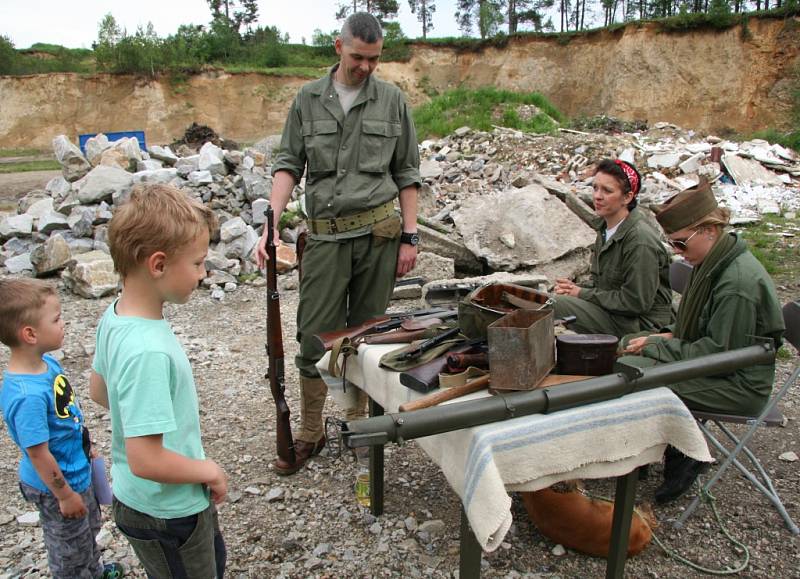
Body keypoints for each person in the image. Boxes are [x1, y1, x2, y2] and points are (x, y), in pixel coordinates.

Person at [255, 12, 421, 476]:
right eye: (357, 57)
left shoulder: (392, 101)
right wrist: (270, 226)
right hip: (326, 238)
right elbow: (289, 163)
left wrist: (410, 236)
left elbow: (407, 173)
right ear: (338, 47)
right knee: (314, 337)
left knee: (367, 335)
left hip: (379, 236)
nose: (366, 67)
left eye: (374, 59)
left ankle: (359, 423)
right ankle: (310, 431)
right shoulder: (307, 99)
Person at [89, 184, 228, 578]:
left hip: (135, 498)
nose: (203, 273)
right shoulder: (148, 350)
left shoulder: (115, 315)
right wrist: (209, 470)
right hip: (169, 510)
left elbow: (99, 392)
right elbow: (146, 459)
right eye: (198, 263)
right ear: (158, 264)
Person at [619, 177, 785, 503]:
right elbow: (701, 331)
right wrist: (662, 336)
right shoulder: (712, 261)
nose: (677, 252)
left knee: (632, 373)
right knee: (627, 343)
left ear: (709, 230)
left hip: (738, 385)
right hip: (719, 364)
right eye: (672, 245)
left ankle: (686, 450)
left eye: (681, 244)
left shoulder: (736, 283)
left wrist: (658, 345)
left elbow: (719, 356)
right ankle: (643, 448)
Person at [0, 278, 125, 579]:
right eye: (56, 319)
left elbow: (67, 413)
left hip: (77, 467)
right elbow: (39, 454)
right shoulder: (26, 396)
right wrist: (65, 495)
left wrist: (86, 446)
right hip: (57, 485)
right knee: (68, 546)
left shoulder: (48, 365)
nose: (64, 323)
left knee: (87, 528)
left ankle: (93, 568)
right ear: (30, 334)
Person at [553, 159, 674, 338]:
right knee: (547, 300)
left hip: (640, 324)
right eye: (595, 188)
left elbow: (635, 303)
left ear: (627, 197)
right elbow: (602, 282)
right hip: (617, 314)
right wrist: (575, 288)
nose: (597, 196)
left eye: (607, 191)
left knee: (552, 305)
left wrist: (582, 294)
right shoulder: (606, 227)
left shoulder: (640, 240)